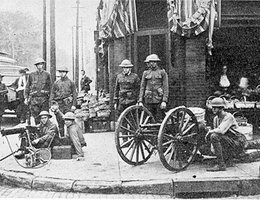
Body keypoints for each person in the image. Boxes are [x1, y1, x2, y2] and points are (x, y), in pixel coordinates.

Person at [203, 97, 247, 171]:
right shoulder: (216, 118)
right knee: (207, 144)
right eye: (213, 107)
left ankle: (221, 165)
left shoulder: (228, 116)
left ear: (221, 108)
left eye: (216, 108)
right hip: (229, 141)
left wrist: (210, 132)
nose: (213, 109)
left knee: (214, 136)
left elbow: (221, 130)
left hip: (237, 141)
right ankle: (227, 160)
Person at [138, 54, 169, 121]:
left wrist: (164, 101)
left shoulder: (162, 73)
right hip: (148, 100)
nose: (150, 64)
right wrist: (140, 100)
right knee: (149, 119)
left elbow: (166, 88)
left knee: (159, 119)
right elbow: (142, 87)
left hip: (158, 100)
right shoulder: (146, 73)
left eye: (152, 62)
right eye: (149, 63)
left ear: (156, 62)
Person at [50, 67, 77, 137]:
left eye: (63, 72)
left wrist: (74, 105)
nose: (62, 73)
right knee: (60, 122)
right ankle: (62, 138)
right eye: (60, 72)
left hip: (68, 104)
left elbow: (74, 94)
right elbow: (52, 94)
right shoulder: (56, 83)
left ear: (66, 73)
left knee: (69, 122)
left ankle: (70, 138)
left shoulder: (71, 82)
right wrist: (52, 104)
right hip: (59, 105)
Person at [24, 58, 52, 124]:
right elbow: (27, 87)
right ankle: (38, 132)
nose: (39, 66)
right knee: (36, 117)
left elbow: (51, 88)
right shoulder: (31, 75)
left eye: (41, 64)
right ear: (36, 66)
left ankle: (45, 132)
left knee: (44, 116)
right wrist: (26, 98)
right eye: (38, 64)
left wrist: (50, 100)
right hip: (34, 99)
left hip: (44, 99)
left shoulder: (47, 74)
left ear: (43, 65)